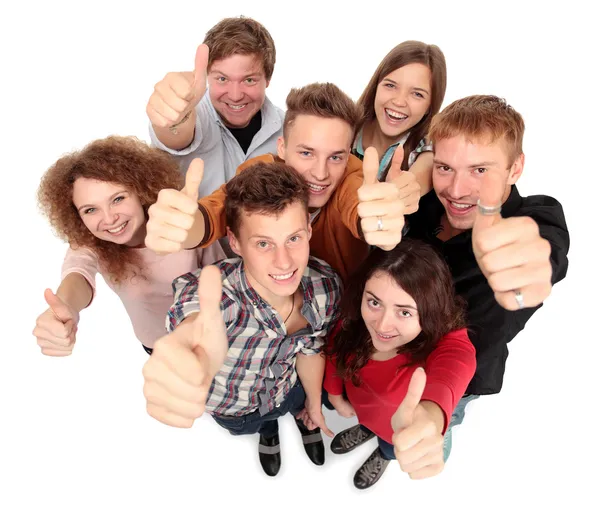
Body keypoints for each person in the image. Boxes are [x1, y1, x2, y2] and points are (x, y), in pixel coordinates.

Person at [141, 162, 341, 477]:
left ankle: (304, 421)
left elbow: (311, 348)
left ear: (309, 230)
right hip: (237, 411)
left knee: (293, 408)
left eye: (293, 238)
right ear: (235, 243)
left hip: (290, 389)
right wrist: (186, 338)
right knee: (262, 424)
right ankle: (268, 433)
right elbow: (194, 313)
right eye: (263, 243)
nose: (284, 261)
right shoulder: (219, 297)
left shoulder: (326, 286)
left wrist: (314, 404)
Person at [404, 95, 570, 455]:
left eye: (480, 170)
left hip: (458, 382)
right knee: (385, 417)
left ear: (515, 168)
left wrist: (534, 260)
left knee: (423, 437)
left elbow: (546, 245)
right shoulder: (425, 203)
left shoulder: (535, 217)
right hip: (394, 356)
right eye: (446, 167)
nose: (457, 190)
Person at [145, 82, 421, 281]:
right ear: (282, 148)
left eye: (335, 157)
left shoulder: (352, 177)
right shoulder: (260, 171)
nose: (321, 173)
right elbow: (217, 211)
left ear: (348, 155)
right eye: (306, 153)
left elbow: (360, 206)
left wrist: (379, 223)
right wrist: (183, 226)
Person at [33, 136, 224, 356]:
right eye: (90, 210)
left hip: (214, 339)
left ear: (140, 191)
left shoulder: (179, 226)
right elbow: (77, 274)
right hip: (157, 348)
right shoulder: (91, 244)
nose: (109, 218)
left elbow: (225, 283)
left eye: (117, 199)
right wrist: (66, 306)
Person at [321, 240, 476, 489]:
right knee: (366, 423)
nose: (382, 326)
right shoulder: (352, 322)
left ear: (429, 311)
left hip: (395, 431)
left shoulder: (441, 343)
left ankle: (383, 455)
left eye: (404, 312)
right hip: (361, 410)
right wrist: (335, 393)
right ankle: (365, 430)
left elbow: (457, 361)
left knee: (391, 446)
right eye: (374, 302)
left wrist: (432, 414)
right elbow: (334, 351)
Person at [146, 16, 284, 197]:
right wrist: (174, 120)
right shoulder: (196, 115)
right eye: (222, 79)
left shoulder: (288, 129)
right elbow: (176, 135)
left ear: (268, 79)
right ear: (208, 76)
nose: (235, 95)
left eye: (249, 80)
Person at [355, 40, 447, 197]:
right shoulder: (346, 126)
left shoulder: (429, 148)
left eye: (417, 94)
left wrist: (402, 193)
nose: (398, 101)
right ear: (376, 86)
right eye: (390, 85)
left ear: (429, 107)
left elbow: (424, 168)